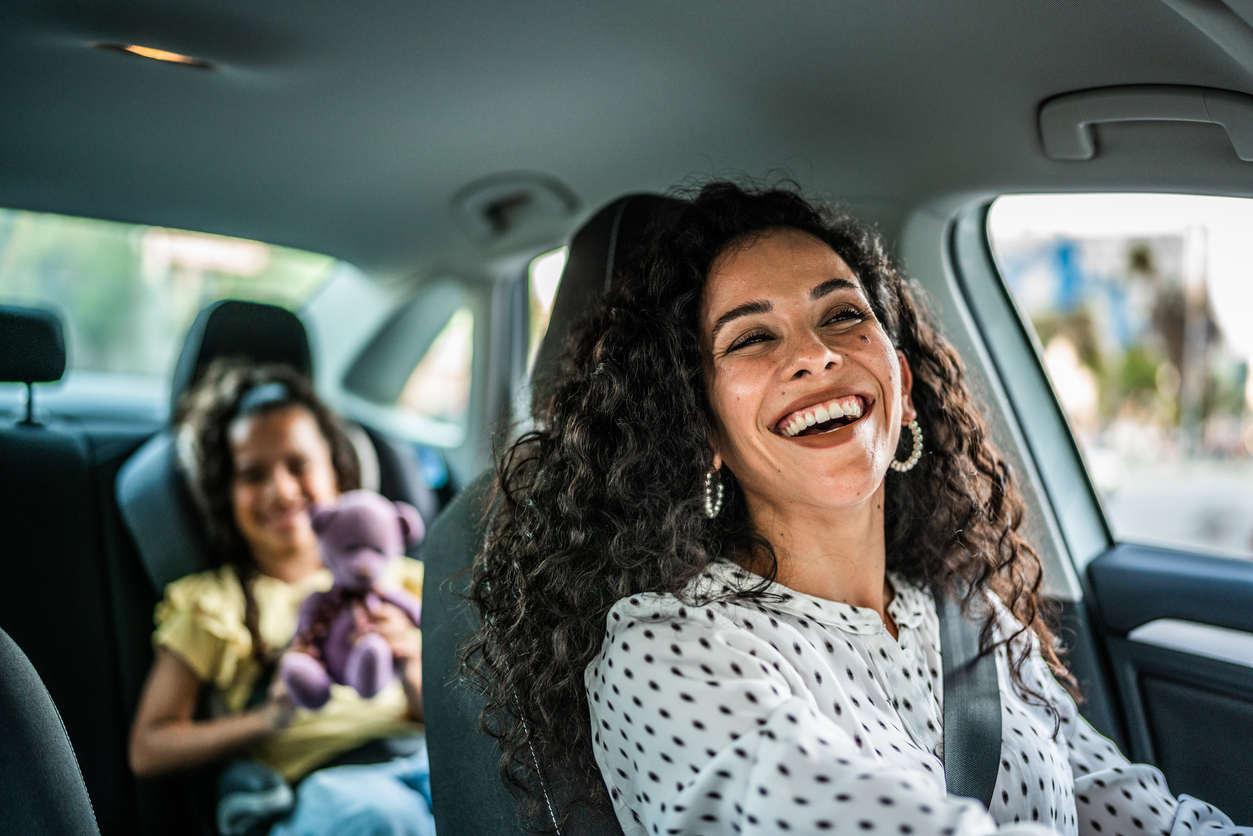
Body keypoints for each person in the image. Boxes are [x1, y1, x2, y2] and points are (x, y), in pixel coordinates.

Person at [463, 183, 1240, 836]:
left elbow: (1139, 814)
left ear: (900, 383)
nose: (814, 354)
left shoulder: (974, 619)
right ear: (702, 432)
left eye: (841, 316)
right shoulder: (667, 652)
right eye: (750, 338)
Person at [129, 360, 435, 836]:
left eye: (299, 465)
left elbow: (445, 720)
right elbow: (148, 747)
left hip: (421, 764)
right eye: (253, 475)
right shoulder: (215, 605)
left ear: (337, 470)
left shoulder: (403, 583)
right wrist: (266, 720)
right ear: (224, 495)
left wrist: (412, 662)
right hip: (320, 792)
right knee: (385, 817)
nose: (282, 490)